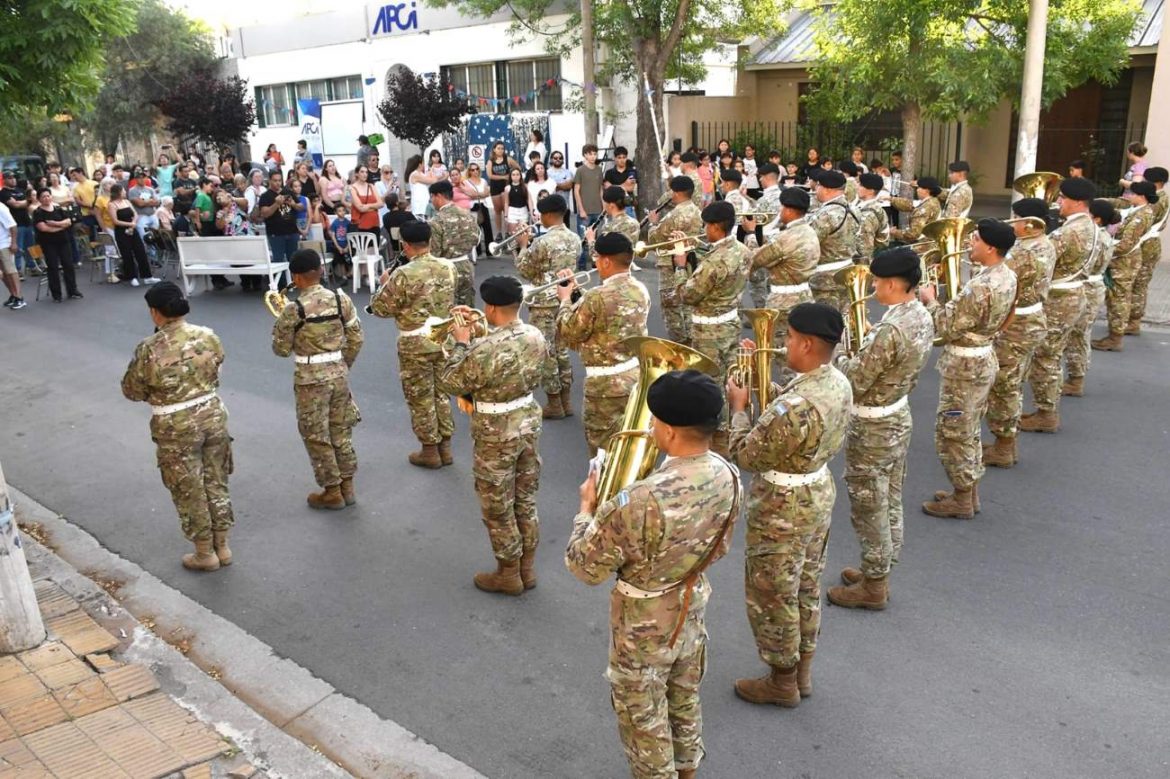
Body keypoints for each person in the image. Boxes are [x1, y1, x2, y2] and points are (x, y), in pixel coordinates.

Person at [566, 369, 740, 779]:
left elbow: (583, 566)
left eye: (655, 421)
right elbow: (720, 545)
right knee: (683, 698)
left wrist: (587, 510)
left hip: (642, 622)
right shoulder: (727, 474)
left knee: (642, 718)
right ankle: (687, 771)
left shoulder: (640, 499)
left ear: (670, 431)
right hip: (690, 602)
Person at [726, 302, 851, 706]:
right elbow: (791, 419)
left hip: (784, 503)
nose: (784, 345)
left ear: (809, 344)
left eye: (790, 339)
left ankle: (781, 681)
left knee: (773, 591)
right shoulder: (835, 382)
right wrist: (764, 387)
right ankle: (802, 672)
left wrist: (740, 409)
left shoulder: (795, 408)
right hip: (815, 489)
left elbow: (745, 455)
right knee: (806, 583)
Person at [828, 249, 934, 610]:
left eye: (876, 282)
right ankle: (880, 568)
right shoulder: (919, 313)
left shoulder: (891, 329)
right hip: (897, 415)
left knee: (868, 504)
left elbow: (854, 378)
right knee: (889, 497)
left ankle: (874, 585)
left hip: (873, 425)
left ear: (891, 283)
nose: (872, 288)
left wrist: (841, 347)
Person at [437, 276, 546, 595]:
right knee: (525, 498)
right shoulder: (535, 334)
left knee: (497, 504)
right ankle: (527, 568)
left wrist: (460, 341)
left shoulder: (483, 347)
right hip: (527, 419)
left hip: (496, 429)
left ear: (490, 306)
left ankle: (508, 573)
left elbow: (450, 382)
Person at [121, 282, 234, 571]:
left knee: (189, 488)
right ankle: (223, 546)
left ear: (155, 313)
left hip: (175, 425)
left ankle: (204, 554)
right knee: (216, 480)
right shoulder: (208, 335)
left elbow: (132, 390)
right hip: (213, 415)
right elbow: (218, 367)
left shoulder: (149, 348)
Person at [920, 219, 1018, 519]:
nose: (969, 244)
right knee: (970, 428)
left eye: (974, 240)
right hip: (983, 355)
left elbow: (945, 327)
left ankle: (961, 497)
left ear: (990, 247)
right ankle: (968, 492)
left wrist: (930, 300)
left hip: (966, 364)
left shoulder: (982, 285)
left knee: (953, 431)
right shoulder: (1007, 275)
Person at [271, 249, 364, 509]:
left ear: (297, 277)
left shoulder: (294, 308)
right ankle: (348, 486)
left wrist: (281, 324)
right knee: (341, 430)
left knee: (316, 434)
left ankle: (332, 491)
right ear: (320, 271)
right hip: (338, 373)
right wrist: (342, 364)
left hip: (310, 379)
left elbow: (280, 350)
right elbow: (356, 337)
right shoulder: (340, 300)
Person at [369, 221, 457, 468]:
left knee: (420, 397)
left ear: (405, 245)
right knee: (441, 393)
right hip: (443, 338)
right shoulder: (448, 267)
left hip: (414, 342)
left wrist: (385, 282)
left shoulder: (403, 274)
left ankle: (430, 450)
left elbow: (380, 309)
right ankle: (446, 447)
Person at [554, 232, 650, 454]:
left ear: (606, 261)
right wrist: (578, 291)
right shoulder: (640, 289)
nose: (595, 262)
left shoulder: (597, 296)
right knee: (629, 448)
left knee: (602, 453)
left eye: (597, 258)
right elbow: (608, 314)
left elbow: (570, 331)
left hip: (604, 385)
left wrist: (566, 299)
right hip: (633, 377)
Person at [671, 201, 752, 455]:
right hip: (729, 322)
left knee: (710, 384)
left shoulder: (713, 263)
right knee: (730, 377)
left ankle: (717, 440)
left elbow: (687, 295)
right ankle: (730, 430)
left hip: (708, 331)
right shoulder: (741, 250)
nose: (704, 229)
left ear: (716, 226)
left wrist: (681, 264)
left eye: (706, 225)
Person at [1017, 179, 1097, 429]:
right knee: (1052, 353)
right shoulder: (1090, 226)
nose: (1059, 202)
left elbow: (1044, 260)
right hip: (1074, 294)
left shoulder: (1069, 231)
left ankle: (1046, 413)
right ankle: (1045, 409)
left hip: (1060, 299)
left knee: (1046, 356)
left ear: (1078, 202)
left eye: (1063, 198)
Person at [981, 199, 1056, 468]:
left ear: (1028, 223)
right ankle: (1005, 442)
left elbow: (996, 278)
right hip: (1031, 318)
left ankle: (1004, 446)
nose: (1012, 223)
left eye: (1015, 219)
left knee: (1004, 385)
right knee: (1012, 382)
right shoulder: (1043, 243)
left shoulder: (1024, 253)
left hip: (1018, 323)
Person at [515, 195, 582, 418]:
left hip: (544, 302)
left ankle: (554, 402)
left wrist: (523, 246)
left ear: (547, 215)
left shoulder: (543, 242)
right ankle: (566, 401)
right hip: (566, 298)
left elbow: (526, 269)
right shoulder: (574, 238)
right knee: (562, 350)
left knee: (546, 351)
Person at [750, 187, 819, 361]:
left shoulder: (785, 237)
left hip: (783, 301)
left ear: (788, 209)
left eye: (781, 208)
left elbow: (755, 260)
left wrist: (752, 233)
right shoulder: (810, 232)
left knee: (783, 353)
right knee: (801, 350)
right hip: (805, 295)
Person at [1061, 199, 1119, 397]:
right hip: (1092, 286)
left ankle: (1076, 379)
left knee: (1079, 334)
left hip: (1089, 287)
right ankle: (1074, 376)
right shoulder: (1101, 235)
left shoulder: (1096, 237)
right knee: (1079, 334)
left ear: (1097, 218)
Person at [1112, 167, 1168, 336]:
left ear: (1154, 182)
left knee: (1138, 283)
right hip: (1146, 242)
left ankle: (1133, 320)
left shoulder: (1157, 200)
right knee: (1137, 282)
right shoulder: (1159, 197)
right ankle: (1130, 319)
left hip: (1146, 244)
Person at [647, 176, 703, 344]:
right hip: (691, 259)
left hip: (670, 262)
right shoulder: (696, 210)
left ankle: (680, 343)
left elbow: (655, 238)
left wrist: (652, 224)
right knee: (686, 302)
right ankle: (690, 337)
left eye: (671, 190)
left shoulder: (676, 214)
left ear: (676, 193)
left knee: (671, 305)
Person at [808, 170, 861, 314]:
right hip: (847, 272)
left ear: (827, 189)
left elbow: (809, 243)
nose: (815, 190)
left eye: (818, 186)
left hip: (825, 278)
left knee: (825, 322)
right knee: (844, 321)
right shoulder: (854, 209)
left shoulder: (825, 214)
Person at [427, 180, 480, 307]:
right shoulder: (467, 215)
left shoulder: (436, 221)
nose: (431, 201)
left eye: (432, 197)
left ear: (438, 196)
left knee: (448, 311)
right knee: (467, 310)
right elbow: (476, 239)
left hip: (445, 270)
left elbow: (435, 252)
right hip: (466, 267)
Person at [32, 188, 82, 302]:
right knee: (53, 267)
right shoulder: (38, 212)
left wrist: (55, 224)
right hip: (48, 243)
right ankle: (56, 294)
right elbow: (43, 228)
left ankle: (72, 290)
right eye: (43, 196)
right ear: (39, 199)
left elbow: (68, 222)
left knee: (68, 265)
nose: (46, 198)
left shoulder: (58, 209)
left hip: (63, 241)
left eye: (48, 196)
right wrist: (61, 226)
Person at [258, 170, 301, 290]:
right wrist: (276, 204)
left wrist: (292, 204)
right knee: (278, 259)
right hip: (276, 233)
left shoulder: (288, 192)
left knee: (294, 258)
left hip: (292, 231)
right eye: (275, 180)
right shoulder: (266, 196)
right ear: (270, 181)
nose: (278, 183)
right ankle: (281, 284)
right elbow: (265, 213)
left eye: (279, 180)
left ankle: (294, 282)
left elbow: (301, 207)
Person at [109, 184, 157, 286]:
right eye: (123, 191)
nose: (125, 192)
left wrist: (133, 224)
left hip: (132, 229)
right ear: (118, 192)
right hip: (121, 232)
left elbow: (135, 213)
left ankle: (147, 276)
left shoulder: (126, 202)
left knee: (140, 251)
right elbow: (115, 221)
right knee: (127, 254)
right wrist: (130, 224)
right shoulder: (112, 205)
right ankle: (132, 276)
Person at [573, 144, 605, 270]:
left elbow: (600, 189)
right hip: (585, 210)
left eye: (594, 154)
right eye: (590, 154)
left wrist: (603, 206)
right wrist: (581, 209)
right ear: (585, 155)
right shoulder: (580, 170)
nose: (593, 156)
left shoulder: (598, 170)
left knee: (595, 239)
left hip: (597, 210)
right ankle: (581, 265)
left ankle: (594, 262)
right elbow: (576, 190)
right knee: (583, 239)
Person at [1, 172, 36, 278]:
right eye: (10, 178)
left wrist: (23, 202)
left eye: (14, 177)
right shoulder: (3, 193)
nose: (13, 180)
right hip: (16, 223)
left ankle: (32, 266)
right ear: (5, 180)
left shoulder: (20, 191)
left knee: (30, 246)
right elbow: (15, 205)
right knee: (17, 248)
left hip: (26, 221)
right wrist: (25, 202)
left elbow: (30, 201)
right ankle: (18, 269)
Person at [585, 186, 640, 252]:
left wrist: (591, 240)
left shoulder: (609, 228)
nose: (604, 205)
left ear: (611, 206)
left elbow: (600, 257)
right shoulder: (635, 223)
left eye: (605, 202)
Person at [890, 177, 943, 243]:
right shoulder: (933, 201)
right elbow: (909, 205)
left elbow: (914, 234)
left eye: (919, 188)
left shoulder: (926, 207)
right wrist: (891, 199)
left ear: (927, 190)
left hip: (922, 245)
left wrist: (895, 232)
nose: (917, 190)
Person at [487, 142, 519, 240]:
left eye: (502, 148)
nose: (500, 150)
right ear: (494, 149)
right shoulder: (490, 161)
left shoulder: (508, 159)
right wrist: (503, 176)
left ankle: (507, 232)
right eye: (498, 148)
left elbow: (518, 168)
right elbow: (490, 175)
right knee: (497, 211)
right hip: (495, 187)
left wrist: (511, 176)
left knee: (506, 210)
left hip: (505, 187)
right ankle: (499, 233)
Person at [856, 172, 890, 260]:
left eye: (861, 185)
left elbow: (865, 248)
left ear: (871, 191)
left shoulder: (867, 215)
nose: (857, 186)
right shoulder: (877, 208)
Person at [461, 163, 492, 250]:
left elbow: (486, 194)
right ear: (469, 171)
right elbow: (470, 195)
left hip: (483, 205)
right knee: (475, 229)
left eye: (477, 169)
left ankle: (489, 250)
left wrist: (476, 194)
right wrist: (480, 194)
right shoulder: (466, 182)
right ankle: (477, 251)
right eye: (472, 170)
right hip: (473, 206)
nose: (475, 171)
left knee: (487, 228)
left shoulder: (483, 181)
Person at [0, 199, 24, 309]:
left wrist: (14, 243)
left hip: (4, 244)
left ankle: (19, 298)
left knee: (10, 271)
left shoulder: (1, 208)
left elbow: (12, 225)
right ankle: (13, 295)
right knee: (3, 273)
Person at [347, 165, 380, 239]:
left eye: (366, 172)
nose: (365, 174)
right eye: (362, 172)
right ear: (356, 174)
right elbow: (360, 208)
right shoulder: (352, 188)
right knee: (363, 249)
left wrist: (367, 206)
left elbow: (380, 204)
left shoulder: (371, 186)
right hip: (360, 224)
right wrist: (374, 207)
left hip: (374, 223)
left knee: (375, 248)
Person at [605, 146, 639, 216]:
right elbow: (608, 190)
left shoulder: (632, 172)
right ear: (615, 158)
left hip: (628, 205)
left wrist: (613, 186)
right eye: (619, 157)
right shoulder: (609, 173)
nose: (622, 160)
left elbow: (630, 188)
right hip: (615, 207)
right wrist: (625, 184)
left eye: (624, 157)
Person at [329, 204, 353, 281]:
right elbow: (333, 236)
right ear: (336, 213)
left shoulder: (348, 223)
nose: (342, 212)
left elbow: (350, 235)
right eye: (339, 211)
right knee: (340, 260)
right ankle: (343, 274)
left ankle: (350, 273)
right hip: (339, 245)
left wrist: (347, 247)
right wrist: (338, 247)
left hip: (347, 245)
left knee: (349, 259)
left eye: (343, 210)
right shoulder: (334, 223)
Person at [503, 167, 529, 237]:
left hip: (523, 211)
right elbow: (506, 202)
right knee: (513, 234)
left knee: (524, 233)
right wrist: (506, 215)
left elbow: (528, 200)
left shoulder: (525, 187)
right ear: (510, 176)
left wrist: (532, 211)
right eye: (513, 175)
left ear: (520, 176)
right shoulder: (507, 188)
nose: (515, 176)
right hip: (512, 212)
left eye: (517, 174)